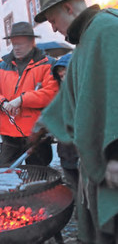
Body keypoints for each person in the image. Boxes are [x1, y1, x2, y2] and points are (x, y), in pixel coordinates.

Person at [32, 0, 118, 243]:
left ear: (68, 8)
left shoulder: (107, 30)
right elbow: (73, 94)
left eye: (53, 21)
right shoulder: (86, 41)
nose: (54, 29)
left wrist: (115, 154)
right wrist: (44, 124)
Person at [0, 22, 59, 166]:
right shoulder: (1, 67)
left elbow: (51, 94)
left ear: (32, 42)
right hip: (9, 136)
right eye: (14, 44)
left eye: (21, 44)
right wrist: (3, 104)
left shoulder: (48, 64)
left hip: (37, 135)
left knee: (38, 178)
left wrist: (21, 100)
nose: (16, 48)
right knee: (6, 176)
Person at [52, 53, 79, 207]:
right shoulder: (61, 94)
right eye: (59, 71)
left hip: (80, 150)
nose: (62, 74)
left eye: (65, 70)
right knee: (73, 183)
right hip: (66, 151)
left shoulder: (82, 90)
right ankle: (80, 210)